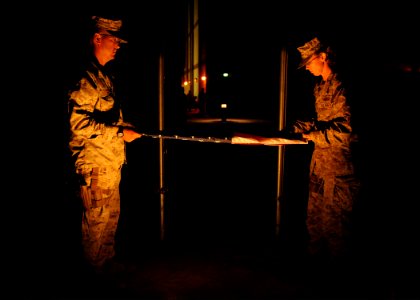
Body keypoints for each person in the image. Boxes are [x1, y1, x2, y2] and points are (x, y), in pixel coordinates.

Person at [67, 15, 142, 275]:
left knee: (109, 223)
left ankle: (106, 267)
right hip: (95, 169)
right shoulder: (85, 78)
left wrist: (123, 127)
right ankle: (90, 278)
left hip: (108, 165)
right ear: (97, 38)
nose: (118, 45)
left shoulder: (101, 76)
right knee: (93, 229)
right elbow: (78, 125)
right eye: (114, 40)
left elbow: (103, 116)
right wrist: (119, 133)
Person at [292, 37, 361, 268]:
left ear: (323, 56)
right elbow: (323, 122)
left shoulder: (343, 86)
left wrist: (311, 136)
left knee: (337, 229)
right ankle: (315, 274)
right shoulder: (321, 86)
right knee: (315, 225)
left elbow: (347, 131)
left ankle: (338, 280)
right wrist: (298, 128)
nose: (307, 67)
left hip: (339, 170)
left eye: (309, 61)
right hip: (320, 168)